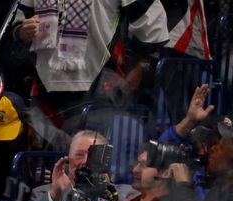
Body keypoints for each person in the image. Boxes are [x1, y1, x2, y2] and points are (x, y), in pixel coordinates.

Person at [12, 0, 168, 126]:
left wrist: (142, 66)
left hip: (99, 85)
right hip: (44, 85)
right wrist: (21, 31)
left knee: (91, 159)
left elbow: (153, 21)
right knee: (44, 163)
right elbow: (19, 20)